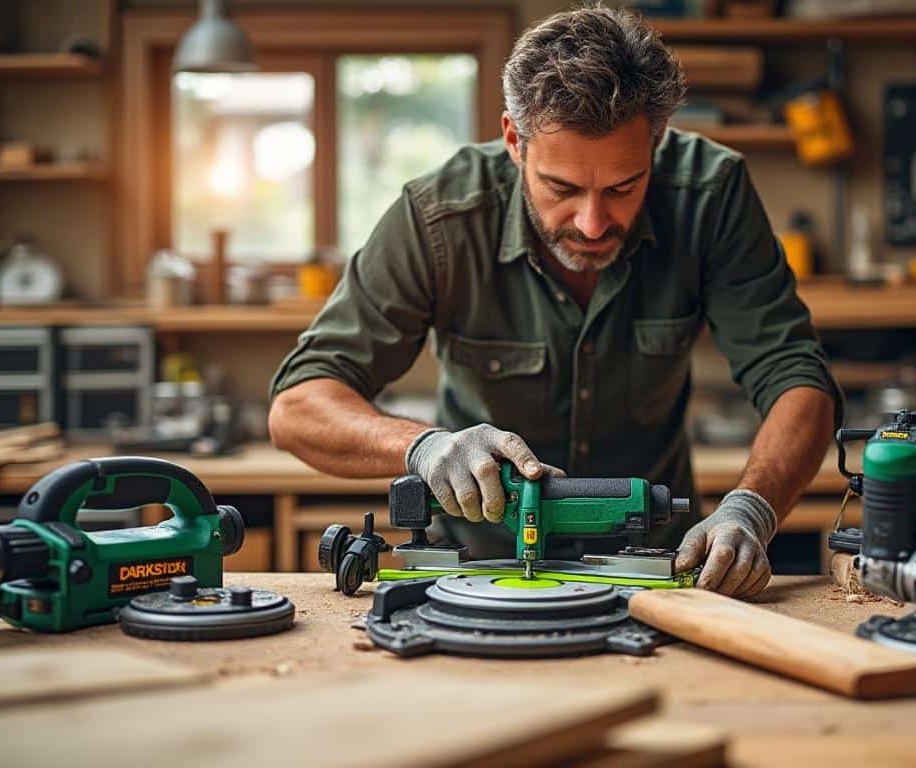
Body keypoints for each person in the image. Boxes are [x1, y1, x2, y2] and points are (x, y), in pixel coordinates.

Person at [268, 5, 839, 597]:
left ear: (657, 143)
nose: (593, 224)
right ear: (515, 141)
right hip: (474, 575)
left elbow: (797, 379)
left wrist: (752, 508)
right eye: (562, 188)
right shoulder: (439, 218)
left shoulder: (710, 195)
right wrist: (423, 447)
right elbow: (298, 404)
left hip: (660, 575)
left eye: (623, 187)